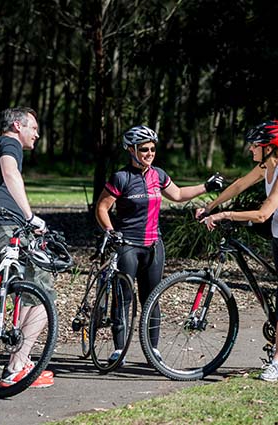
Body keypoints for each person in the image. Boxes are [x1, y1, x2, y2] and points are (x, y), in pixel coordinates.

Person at [95, 125, 224, 365]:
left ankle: (153, 349)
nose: (150, 153)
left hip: (154, 245)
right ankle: (118, 349)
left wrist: (206, 187)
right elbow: (102, 208)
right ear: (131, 150)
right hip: (127, 246)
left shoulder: (158, 175)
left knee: (152, 297)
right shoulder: (121, 178)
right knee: (123, 298)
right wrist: (111, 231)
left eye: (153, 148)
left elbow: (177, 194)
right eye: (144, 149)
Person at [197, 120, 278, 382]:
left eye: (255, 145)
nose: (251, 149)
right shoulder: (266, 168)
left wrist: (226, 215)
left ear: (269, 148)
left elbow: (262, 214)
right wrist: (210, 206)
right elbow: (239, 185)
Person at [0, 107, 54, 388]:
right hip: (1, 230)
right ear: (18, 126)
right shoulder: (9, 143)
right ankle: (17, 366)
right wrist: (30, 217)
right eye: (33, 128)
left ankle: (19, 355)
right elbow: (10, 173)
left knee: (28, 283)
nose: (37, 134)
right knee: (45, 291)